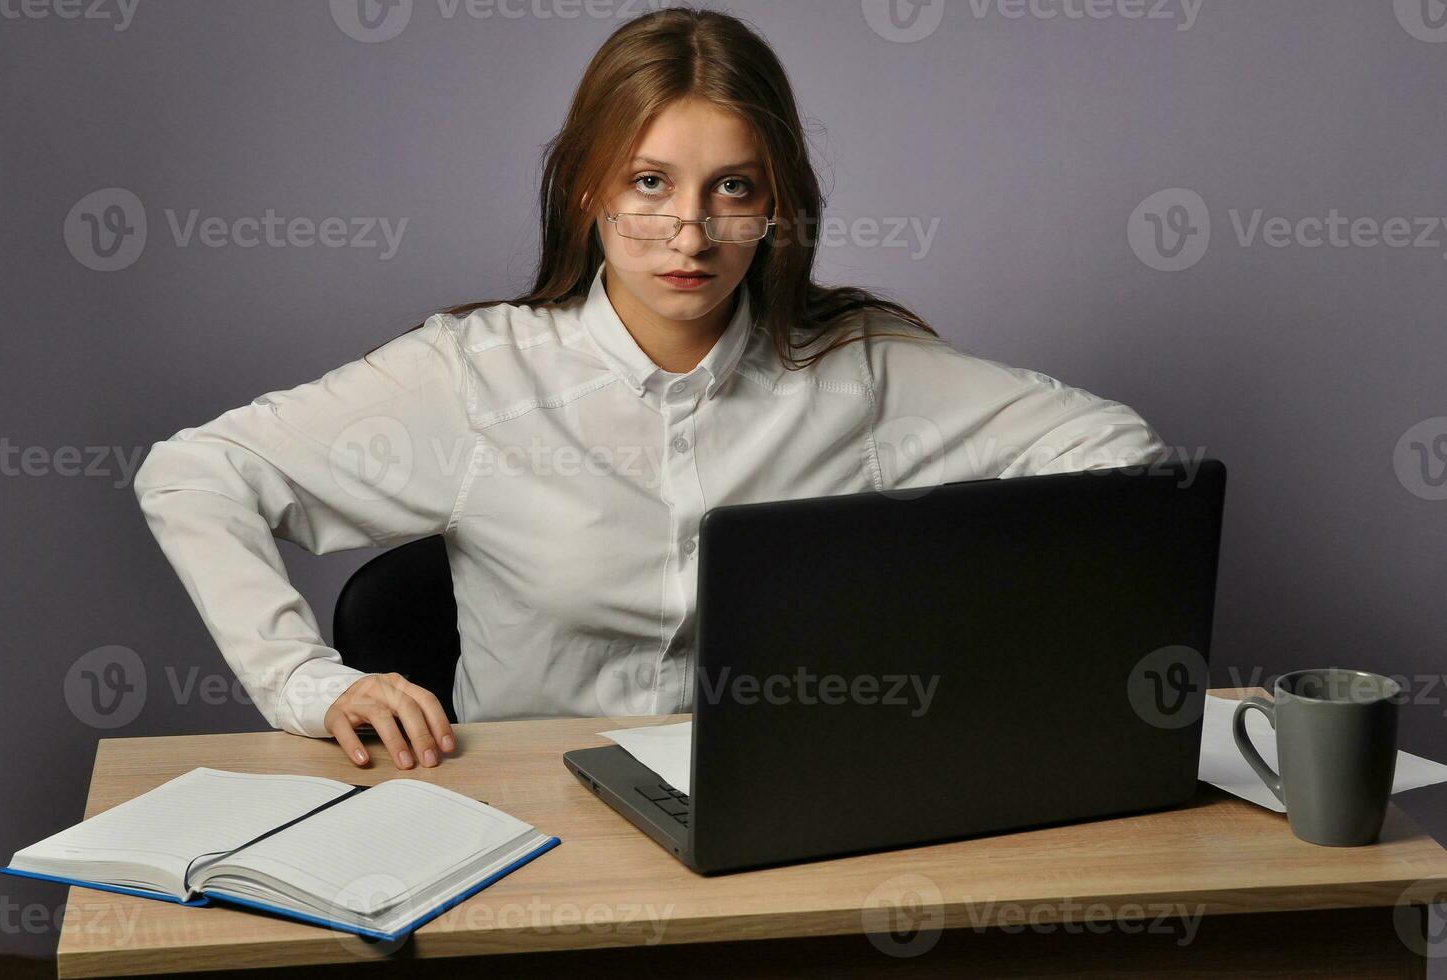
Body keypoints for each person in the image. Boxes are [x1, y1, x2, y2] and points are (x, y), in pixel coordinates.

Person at [132, 7, 1165, 772]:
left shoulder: (859, 370)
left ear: (775, 206)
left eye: (735, 188)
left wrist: (936, 619)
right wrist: (311, 684)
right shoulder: (474, 377)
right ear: (588, 187)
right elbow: (196, 471)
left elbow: (1125, 460)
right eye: (649, 182)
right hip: (523, 826)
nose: (691, 232)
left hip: (789, 817)